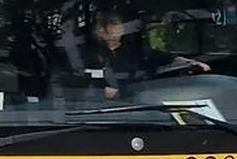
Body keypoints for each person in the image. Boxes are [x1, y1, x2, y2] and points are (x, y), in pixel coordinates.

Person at [77, 10, 207, 99]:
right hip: (94, 110)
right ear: (96, 30)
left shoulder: (138, 52)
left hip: (139, 105)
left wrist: (191, 63)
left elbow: (169, 59)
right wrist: (99, 93)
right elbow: (71, 81)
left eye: (115, 24)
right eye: (103, 26)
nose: (110, 29)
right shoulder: (86, 55)